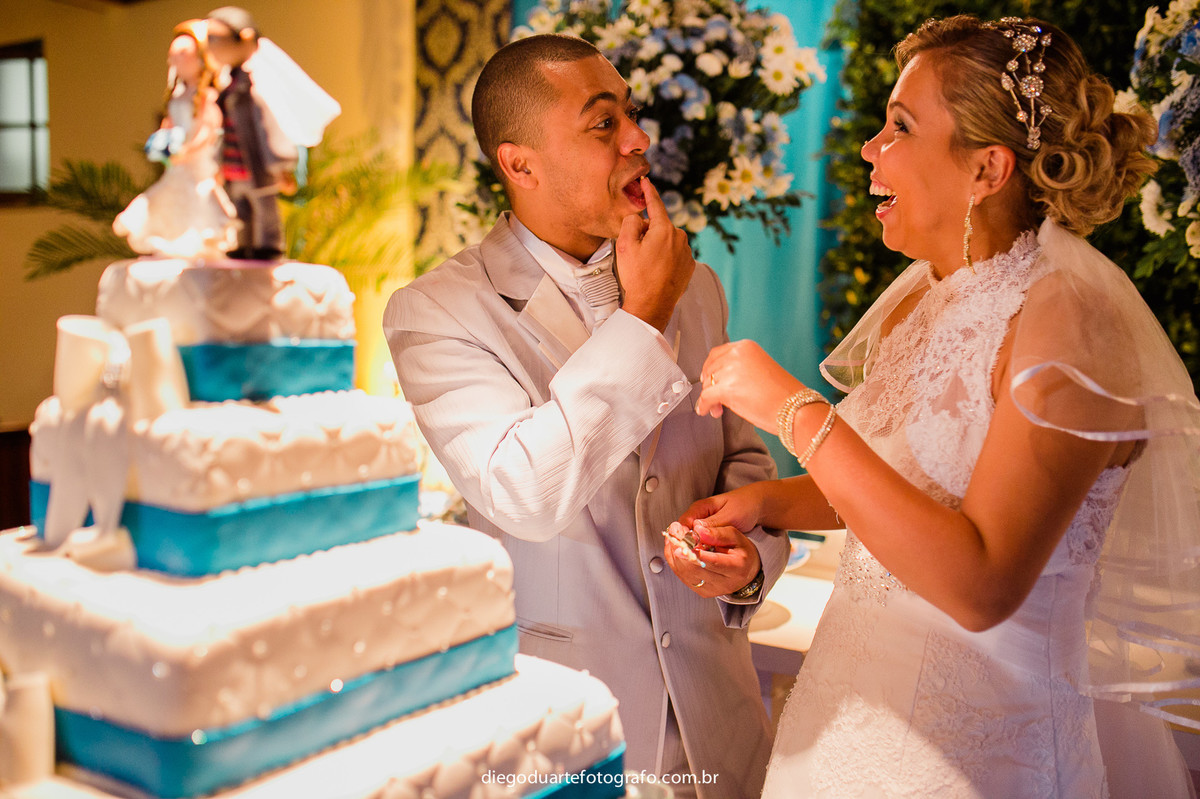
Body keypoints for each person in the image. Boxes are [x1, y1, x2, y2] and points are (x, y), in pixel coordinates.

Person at [667, 14, 1200, 798]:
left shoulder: (1071, 321)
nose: (869, 149)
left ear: (987, 168)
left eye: (900, 127)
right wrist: (765, 503)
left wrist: (794, 410)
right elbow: (899, 484)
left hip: (979, 758)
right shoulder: (927, 295)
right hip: (847, 723)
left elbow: (982, 585)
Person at [383, 33, 790, 798]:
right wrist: (644, 317)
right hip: (567, 740)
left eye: (630, 114)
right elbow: (523, 494)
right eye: (604, 123)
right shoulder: (437, 312)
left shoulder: (697, 286)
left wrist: (750, 562)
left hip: (723, 728)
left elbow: (743, 464)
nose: (639, 139)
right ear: (521, 165)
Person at [112, 19, 238, 259]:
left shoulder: (206, 96)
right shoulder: (178, 96)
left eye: (184, 54)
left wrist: (188, 150)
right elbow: (169, 122)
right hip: (177, 160)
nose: (175, 60)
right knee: (167, 194)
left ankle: (198, 240)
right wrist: (162, 141)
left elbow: (208, 130)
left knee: (198, 198)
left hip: (195, 160)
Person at [204, 6, 297, 260]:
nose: (210, 46)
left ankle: (268, 245)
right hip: (233, 167)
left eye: (215, 38)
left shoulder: (258, 86)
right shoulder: (229, 86)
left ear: (244, 37)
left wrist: (281, 164)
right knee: (240, 209)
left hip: (257, 166)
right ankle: (243, 244)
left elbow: (271, 125)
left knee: (264, 209)